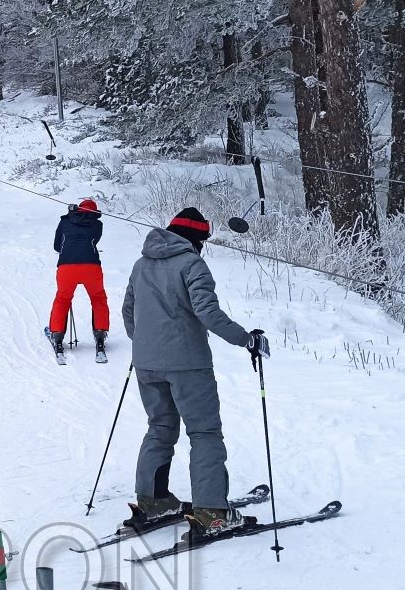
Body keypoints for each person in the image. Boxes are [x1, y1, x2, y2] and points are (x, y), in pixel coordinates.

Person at [120, 208, 269, 536]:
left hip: (146, 364)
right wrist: (247, 339)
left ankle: (153, 500)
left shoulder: (141, 264)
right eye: (202, 240)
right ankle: (212, 511)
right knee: (204, 433)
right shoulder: (191, 264)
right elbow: (208, 313)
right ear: (195, 239)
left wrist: (147, 345)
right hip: (187, 364)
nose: (202, 247)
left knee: (159, 428)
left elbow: (129, 313)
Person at [47, 200, 110, 359]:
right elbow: (94, 240)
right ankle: (101, 335)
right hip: (91, 266)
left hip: (66, 267)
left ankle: (57, 335)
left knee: (62, 299)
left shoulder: (65, 220)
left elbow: (56, 245)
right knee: (98, 299)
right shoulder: (97, 225)